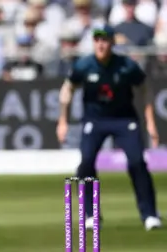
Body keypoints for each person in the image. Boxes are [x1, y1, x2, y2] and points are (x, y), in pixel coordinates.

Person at [56, 25, 162, 231]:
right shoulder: (84, 65)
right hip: (95, 120)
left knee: (137, 162)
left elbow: (145, 89)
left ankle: (149, 214)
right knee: (86, 162)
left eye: (105, 40)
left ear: (113, 42)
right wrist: (63, 120)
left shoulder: (126, 66)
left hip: (124, 119)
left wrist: (150, 122)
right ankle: (90, 214)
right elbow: (68, 89)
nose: (101, 44)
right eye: (97, 40)